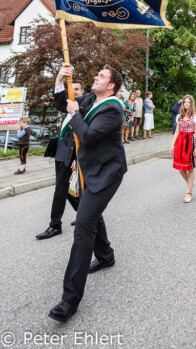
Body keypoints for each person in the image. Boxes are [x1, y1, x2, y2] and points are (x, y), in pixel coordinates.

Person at [48, 63, 127, 322]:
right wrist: (60, 79)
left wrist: (74, 114)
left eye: (101, 76)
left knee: (83, 226)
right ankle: (105, 255)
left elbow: (90, 136)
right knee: (90, 215)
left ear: (112, 85)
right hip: (88, 170)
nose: (96, 77)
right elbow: (64, 104)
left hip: (106, 174)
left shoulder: (114, 109)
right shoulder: (91, 98)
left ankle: (69, 300)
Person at [36, 80, 84, 240]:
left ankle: (55, 225)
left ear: (83, 91)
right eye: (72, 88)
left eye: (77, 89)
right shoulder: (67, 108)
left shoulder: (83, 109)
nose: (74, 91)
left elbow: (82, 136)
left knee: (61, 190)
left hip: (71, 155)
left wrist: (76, 158)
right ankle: (84, 215)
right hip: (61, 153)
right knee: (65, 189)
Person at [171, 95, 196, 203]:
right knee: (180, 168)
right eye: (185, 102)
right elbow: (177, 131)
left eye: (188, 102)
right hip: (181, 142)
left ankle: (189, 193)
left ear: (191, 103)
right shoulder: (180, 116)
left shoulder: (195, 116)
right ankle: (190, 183)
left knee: (190, 168)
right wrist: (172, 144)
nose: (186, 104)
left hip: (191, 142)